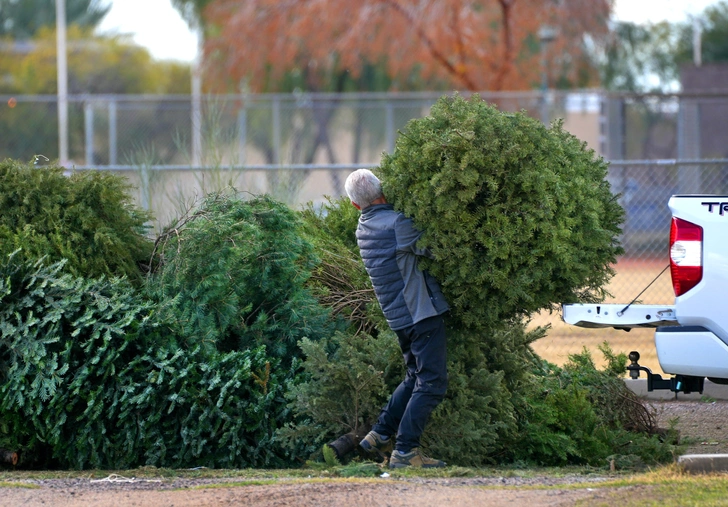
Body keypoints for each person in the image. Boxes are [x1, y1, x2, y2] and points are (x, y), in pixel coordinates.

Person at [344, 168, 449, 469]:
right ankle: (405, 451)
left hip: (399, 318)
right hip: (420, 313)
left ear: (355, 206)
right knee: (432, 382)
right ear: (384, 192)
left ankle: (379, 433)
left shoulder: (363, 227)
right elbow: (436, 248)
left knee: (415, 376)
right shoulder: (398, 224)